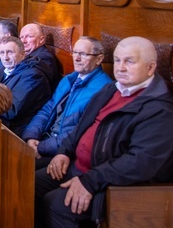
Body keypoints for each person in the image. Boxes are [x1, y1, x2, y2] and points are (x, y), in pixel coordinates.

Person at [34, 37, 173, 228]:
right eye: (117, 60)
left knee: (56, 204)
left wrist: (90, 181)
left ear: (151, 67)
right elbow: (81, 127)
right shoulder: (111, 90)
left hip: (116, 185)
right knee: (28, 182)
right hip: (79, 166)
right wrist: (63, 152)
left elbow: (140, 163)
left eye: (130, 62)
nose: (121, 68)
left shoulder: (161, 110)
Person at [22, 36, 111, 169]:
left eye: (83, 54)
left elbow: (79, 131)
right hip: (44, 140)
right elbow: (48, 108)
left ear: (99, 59)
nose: (76, 58)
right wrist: (31, 135)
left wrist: (41, 147)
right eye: (75, 52)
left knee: (17, 168)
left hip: (63, 151)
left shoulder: (103, 89)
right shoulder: (69, 79)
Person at [20, 23, 63, 91]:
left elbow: (29, 87)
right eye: (21, 37)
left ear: (41, 40)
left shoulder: (44, 58)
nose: (23, 41)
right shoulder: (26, 54)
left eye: (29, 36)